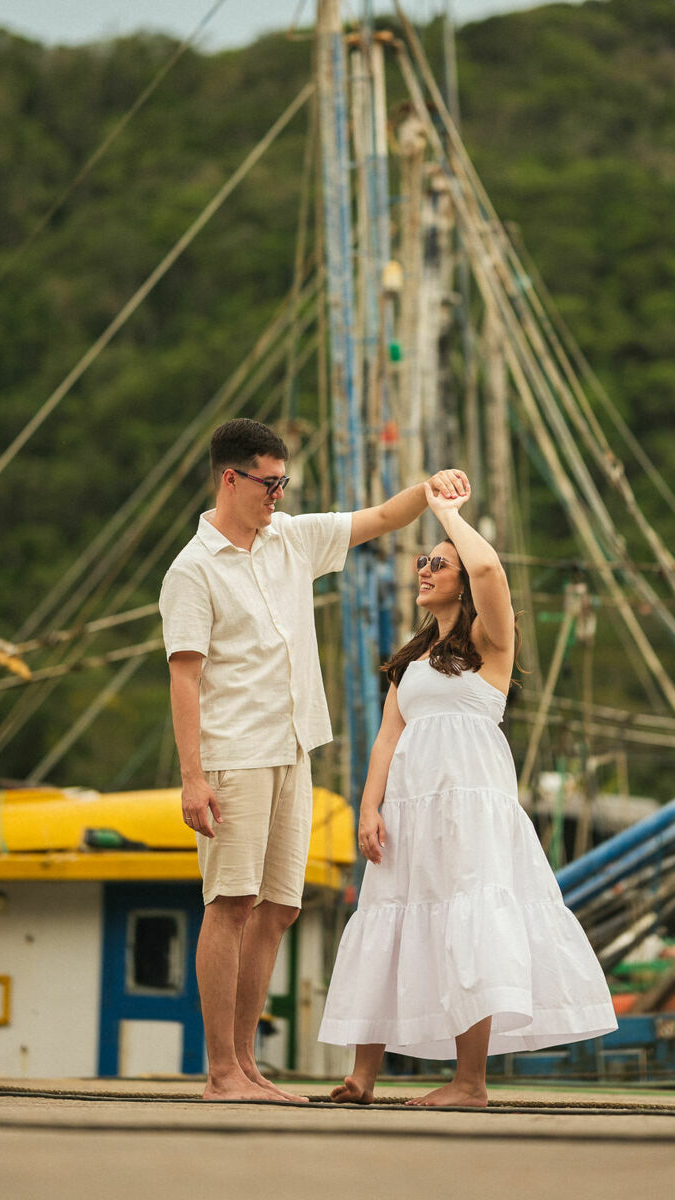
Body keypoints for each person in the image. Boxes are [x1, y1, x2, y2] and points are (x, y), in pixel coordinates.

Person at [159, 416, 470, 1103]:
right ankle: (219, 1073)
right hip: (234, 751)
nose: (278, 494)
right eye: (269, 483)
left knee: (278, 908)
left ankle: (246, 1064)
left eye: (284, 482)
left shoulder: (291, 538)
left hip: (294, 744)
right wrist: (193, 779)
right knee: (231, 900)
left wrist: (432, 489)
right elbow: (184, 677)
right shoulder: (192, 569)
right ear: (230, 479)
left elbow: (382, 518)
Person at [318, 478, 617, 1108]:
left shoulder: (490, 645)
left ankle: (469, 1082)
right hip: (410, 807)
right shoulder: (410, 662)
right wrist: (370, 807)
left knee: (469, 921)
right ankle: (361, 1076)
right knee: (388, 919)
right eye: (422, 561)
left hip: (470, 804)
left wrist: (446, 512)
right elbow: (385, 741)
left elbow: (485, 564)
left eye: (436, 562)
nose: (424, 569)